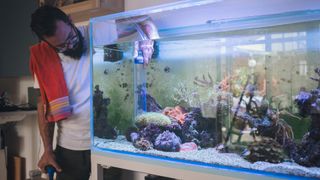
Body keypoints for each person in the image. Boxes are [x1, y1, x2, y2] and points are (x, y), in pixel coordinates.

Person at [29, 5, 158, 180]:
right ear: (48, 45)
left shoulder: (96, 31)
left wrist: (147, 39)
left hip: (105, 141)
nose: (70, 45)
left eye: (71, 37)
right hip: (68, 147)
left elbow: (144, 19)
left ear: (70, 21)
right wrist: (47, 150)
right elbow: (43, 106)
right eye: (61, 46)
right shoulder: (43, 59)